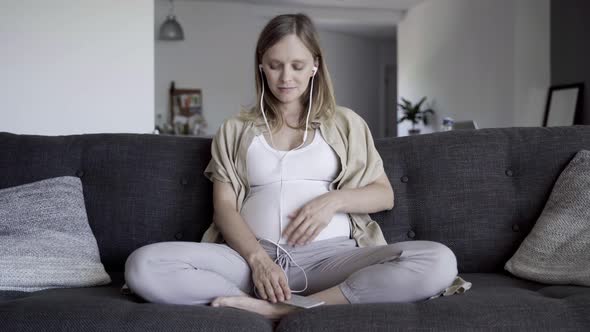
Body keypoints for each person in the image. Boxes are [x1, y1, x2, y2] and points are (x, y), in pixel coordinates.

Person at [124, 13, 459, 320]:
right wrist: (259, 261)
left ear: (315, 65)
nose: (286, 77)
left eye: (297, 66)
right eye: (275, 65)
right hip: (248, 260)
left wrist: (334, 201)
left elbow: (383, 195)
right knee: (143, 265)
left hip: (332, 261)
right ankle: (252, 297)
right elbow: (224, 208)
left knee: (438, 260)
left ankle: (278, 309)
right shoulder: (235, 129)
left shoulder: (346, 123)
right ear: (261, 66)